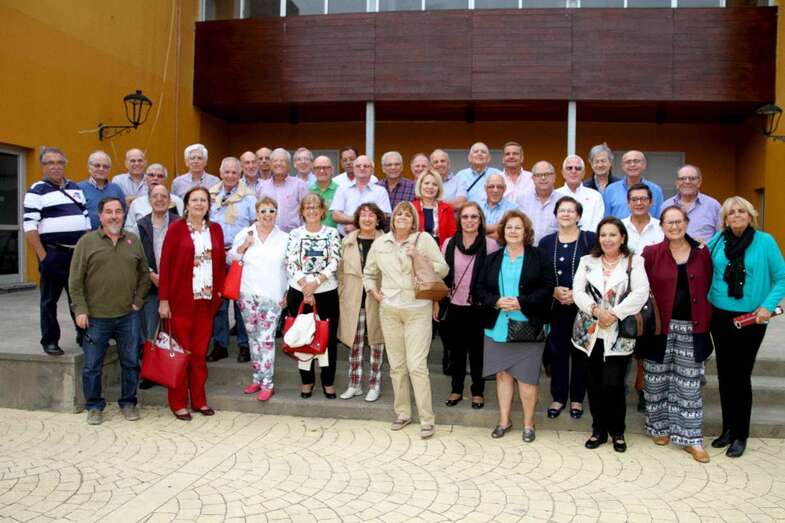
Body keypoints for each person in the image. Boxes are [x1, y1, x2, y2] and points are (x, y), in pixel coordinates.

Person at [707, 196, 785, 458]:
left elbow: (781, 277)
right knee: (725, 373)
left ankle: (741, 434)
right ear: (725, 219)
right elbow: (700, 259)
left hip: (752, 318)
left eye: (742, 211)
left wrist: (767, 306)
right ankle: (728, 429)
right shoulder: (718, 240)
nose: (737, 215)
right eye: (731, 212)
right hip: (719, 315)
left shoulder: (765, 241)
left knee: (741, 375)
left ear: (750, 216)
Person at [363, 201, 448, 439]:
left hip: (417, 307)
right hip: (389, 309)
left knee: (416, 366)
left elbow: (443, 268)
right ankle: (402, 413)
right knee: (397, 366)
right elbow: (369, 273)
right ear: (392, 219)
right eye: (398, 214)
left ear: (413, 221)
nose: (402, 217)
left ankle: (427, 419)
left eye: (407, 215)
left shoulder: (424, 239)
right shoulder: (380, 243)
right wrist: (374, 292)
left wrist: (419, 257)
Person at [641, 206, 713, 463]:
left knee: (689, 385)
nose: (674, 226)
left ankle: (692, 439)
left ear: (687, 222)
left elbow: (710, 282)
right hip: (660, 327)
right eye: (669, 222)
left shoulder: (702, 252)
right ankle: (659, 427)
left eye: (679, 221)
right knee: (655, 381)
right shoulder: (651, 253)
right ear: (661, 226)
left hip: (693, 327)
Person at [69, 197, 150, 425]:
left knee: (130, 362)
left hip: (128, 315)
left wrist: (138, 302)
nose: (114, 216)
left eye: (118, 211)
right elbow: (75, 281)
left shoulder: (133, 241)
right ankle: (94, 406)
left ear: (124, 214)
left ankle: (129, 402)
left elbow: (144, 275)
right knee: (92, 366)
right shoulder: (86, 242)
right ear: (100, 215)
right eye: (109, 212)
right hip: (96, 317)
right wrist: (80, 310)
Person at [474, 210, 553, 443]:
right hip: (498, 326)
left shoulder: (539, 256)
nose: (513, 231)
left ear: (526, 232)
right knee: (502, 375)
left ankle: (529, 424)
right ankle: (504, 421)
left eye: (518, 227)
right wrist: (496, 301)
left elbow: (547, 288)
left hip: (529, 325)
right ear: (502, 231)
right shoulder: (492, 258)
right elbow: (479, 289)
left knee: (527, 379)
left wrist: (521, 302)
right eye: (509, 227)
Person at [572, 217, 649, 453]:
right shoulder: (587, 261)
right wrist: (596, 311)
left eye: (613, 234)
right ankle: (598, 430)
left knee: (613, 384)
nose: (607, 239)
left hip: (618, 332)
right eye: (603, 234)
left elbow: (641, 292)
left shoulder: (634, 262)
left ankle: (618, 431)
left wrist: (613, 314)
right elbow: (578, 292)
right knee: (593, 384)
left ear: (622, 238)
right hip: (589, 332)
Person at [158, 186, 225, 421]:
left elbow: (220, 263)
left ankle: (199, 399)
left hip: (205, 303)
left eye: (203, 200)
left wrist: (218, 294)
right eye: (194, 200)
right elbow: (165, 265)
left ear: (208, 205)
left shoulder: (215, 229)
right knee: (180, 353)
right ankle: (178, 402)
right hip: (180, 302)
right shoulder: (176, 229)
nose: (199, 204)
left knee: (199, 354)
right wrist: (164, 300)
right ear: (186, 204)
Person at [24, 147, 91, 356]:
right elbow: (30, 226)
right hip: (53, 254)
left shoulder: (75, 188)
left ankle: (84, 336)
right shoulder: (36, 190)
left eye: (59, 162)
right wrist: (43, 256)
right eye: (50, 163)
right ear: (42, 166)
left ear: (65, 164)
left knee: (79, 297)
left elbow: (86, 219)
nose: (55, 166)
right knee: (49, 300)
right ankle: (50, 340)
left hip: (77, 254)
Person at [539, 196, 595, 421]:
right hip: (556, 306)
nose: (566, 214)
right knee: (557, 352)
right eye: (562, 210)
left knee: (580, 353)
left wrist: (578, 294)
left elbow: (598, 272)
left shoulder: (590, 240)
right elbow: (540, 274)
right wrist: (553, 290)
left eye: (571, 211)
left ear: (578, 215)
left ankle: (577, 398)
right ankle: (558, 397)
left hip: (583, 307)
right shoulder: (546, 242)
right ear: (556, 215)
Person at [438, 202, 498, 410]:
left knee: (477, 352)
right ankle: (456, 389)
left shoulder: (490, 245)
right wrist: (437, 301)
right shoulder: (449, 243)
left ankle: (478, 391)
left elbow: (493, 277)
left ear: (480, 220)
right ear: (459, 220)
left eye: (474, 217)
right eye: (465, 216)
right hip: (453, 304)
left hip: (479, 306)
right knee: (456, 352)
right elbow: (442, 276)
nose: (470, 220)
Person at [230, 197, 289, 401]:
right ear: (256, 214)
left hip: (272, 296)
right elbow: (231, 258)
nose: (267, 215)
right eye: (263, 211)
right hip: (247, 294)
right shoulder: (245, 233)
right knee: (253, 338)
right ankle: (257, 377)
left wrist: (288, 292)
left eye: (271, 211)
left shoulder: (284, 238)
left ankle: (268, 383)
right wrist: (243, 246)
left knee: (266, 339)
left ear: (277, 213)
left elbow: (290, 268)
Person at [285, 194, 342, 399]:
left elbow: (335, 260)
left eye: (316, 207)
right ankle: (307, 381)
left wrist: (316, 283)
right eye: (308, 207)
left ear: (322, 211)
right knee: (303, 335)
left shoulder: (332, 233)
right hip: (299, 292)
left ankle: (328, 381)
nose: (312, 211)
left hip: (326, 292)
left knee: (328, 337)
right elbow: (290, 261)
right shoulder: (294, 234)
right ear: (302, 211)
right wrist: (305, 286)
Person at [206, 157, 256, 363]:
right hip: (215, 254)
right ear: (220, 173)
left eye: (234, 172)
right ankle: (220, 345)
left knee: (240, 302)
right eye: (226, 172)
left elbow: (254, 226)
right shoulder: (210, 196)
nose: (230, 176)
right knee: (219, 302)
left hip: (240, 255)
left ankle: (244, 345)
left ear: (240, 173)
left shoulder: (249, 197)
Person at [337, 203, 386, 402]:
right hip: (353, 299)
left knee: (376, 344)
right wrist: (343, 293)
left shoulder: (386, 241)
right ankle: (354, 384)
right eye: (363, 215)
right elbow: (340, 272)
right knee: (355, 344)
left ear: (378, 219)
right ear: (358, 219)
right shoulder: (347, 242)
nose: (367, 218)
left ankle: (374, 385)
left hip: (378, 299)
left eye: (371, 215)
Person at [136, 184, 179, 389]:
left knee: (175, 330)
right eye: (155, 196)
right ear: (149, 200)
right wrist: (151, 274)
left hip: (176, 285)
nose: (159, 199)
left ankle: (174, 370)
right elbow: (137, 255)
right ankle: (151, 373)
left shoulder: (179, 223)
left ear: (170, 200)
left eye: (163, 196)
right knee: (150, 329)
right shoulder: (141, 225)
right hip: (151, 284)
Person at [330, 155, 391, 235]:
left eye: (366, 166)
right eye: (358, 166)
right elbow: (336, 215)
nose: (362, 168)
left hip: (373, 239)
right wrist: (362, 221)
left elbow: (383, 216)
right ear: (353, 169)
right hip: (345, 238)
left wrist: (358, 226)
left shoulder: (381, 191)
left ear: (372, 170)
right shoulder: (342, 189)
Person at [662, 165, 722, 243]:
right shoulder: (666, 206)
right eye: (682, 178)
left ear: (699, 182)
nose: (687, 182)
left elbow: (721, 236)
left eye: (692, 178)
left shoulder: (713, 206)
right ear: (676, 182)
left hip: (705, 251)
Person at [258, 148, 309, 233]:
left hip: (293, 235)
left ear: (289, 165)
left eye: (282, 161)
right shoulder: (262, 187)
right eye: (275, 161)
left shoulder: (300, 185)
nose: (278, 163)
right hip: (268, 235)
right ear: (270, 164)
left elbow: (307, 212)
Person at [603, 150, 664, 219]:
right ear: (622, 166)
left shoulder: (655, 190)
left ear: (644, 165)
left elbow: (659, 219)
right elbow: (606, 219)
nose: (632, 164)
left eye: (636, 161)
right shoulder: (610, 190)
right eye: (628, 162)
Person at [124, 164, 184, 233]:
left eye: (160, 176)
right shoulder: (136, 203)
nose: (155, 178)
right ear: (145, 179)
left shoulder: (177, 201)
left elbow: (183, 226)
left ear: (165, 180)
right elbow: (128, 230)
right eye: (151, 175)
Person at [555, 155, 604, 233]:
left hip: (588, 239)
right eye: (569, 168)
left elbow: (597, 223)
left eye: (578, 168)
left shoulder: (595, 196)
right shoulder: (555, 195)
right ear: (563, 173)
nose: (573, 171)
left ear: (583, 173)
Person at [78, 151, 126, 230]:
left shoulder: (116, 189)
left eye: (105, 166)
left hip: (114, 234)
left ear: (109, 169)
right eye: (97, 166)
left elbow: (124, 213)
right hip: (88, 235)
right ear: (89, 168)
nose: (101, 169)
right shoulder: (79, 188)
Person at [517, 161, 559, 246]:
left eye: (547, 174)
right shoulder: (521, 200)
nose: (543, 178)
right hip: (528, 250)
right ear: (533, 178)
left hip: (554, 250)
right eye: (538, 175)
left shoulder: (563, 201)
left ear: (554, 176)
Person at [412, 171, 456, 248]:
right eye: (426, 183)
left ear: (438, 188)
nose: (430, 187)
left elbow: (453, 235)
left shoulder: (447, 208)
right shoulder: (411, 207)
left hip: (441, 252)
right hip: (416, 251)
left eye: (435, 184)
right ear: (420, 185)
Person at [622, 183, 664, 255]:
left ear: (651, 202)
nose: (639, 203)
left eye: (644, 199)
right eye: (634, 199)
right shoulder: (619, 227)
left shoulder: (662, 227)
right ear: (628, 203)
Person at [480, 174, 517, 239]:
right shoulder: (477, 207)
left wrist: (481, 230)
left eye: (499, 187)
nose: (495, 190)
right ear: (485, 188)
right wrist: (496, 227)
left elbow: (509, 234)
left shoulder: (513, 209)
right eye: (491, 187)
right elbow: (470, 231)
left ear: (505, 188)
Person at [310, 155, 340, 228]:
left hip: (335, 233)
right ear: (313, 171)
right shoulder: (308, 191)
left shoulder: (340, 190)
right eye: (318, 168)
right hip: (312, 233)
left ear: (332, 170)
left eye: (325, 167)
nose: (321, 171)